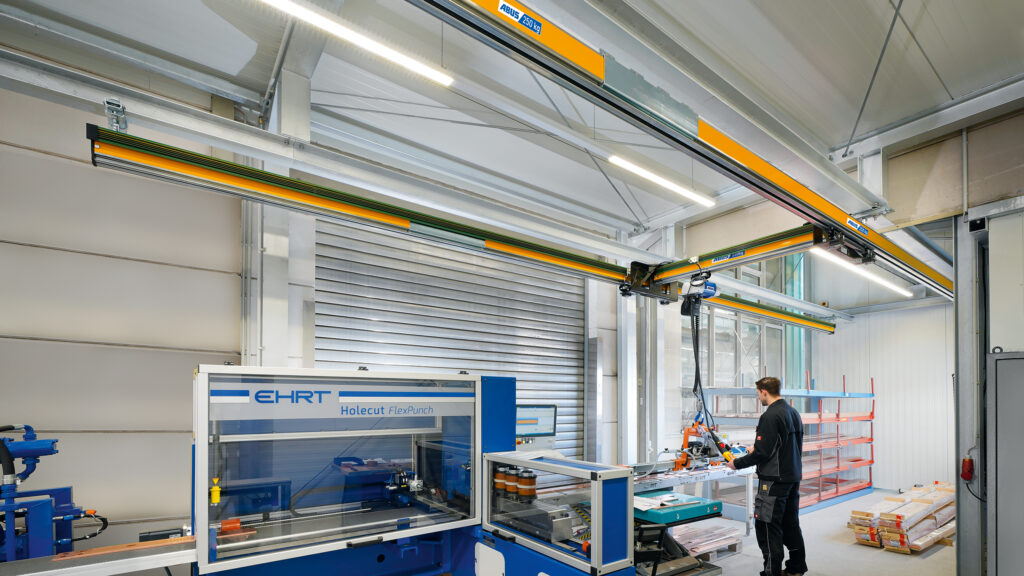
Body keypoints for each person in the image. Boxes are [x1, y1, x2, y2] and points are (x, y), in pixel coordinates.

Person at [725, 376, 807, 576]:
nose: (758, 397)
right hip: (792, 477)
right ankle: (796, 568)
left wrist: (736, 463)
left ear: (764, 391)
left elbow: (763, 454)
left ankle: (772, 572)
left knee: (767, 526)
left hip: (773, 481)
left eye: (758, 393)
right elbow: (783, 444)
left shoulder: (770, 416)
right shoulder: (793, 412)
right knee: (790, 524)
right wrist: (758, 447)